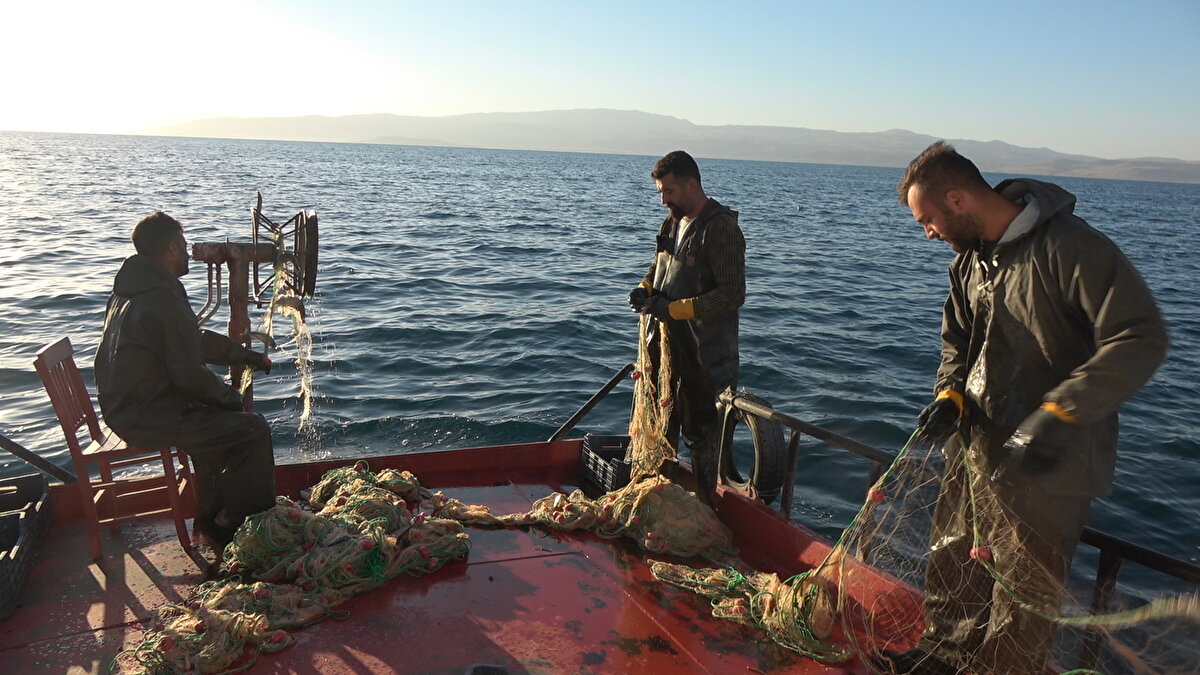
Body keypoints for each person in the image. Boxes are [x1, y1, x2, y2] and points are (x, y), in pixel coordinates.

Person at [891, 142, 1168, 674]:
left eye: (927, 220)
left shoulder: (1075, 248)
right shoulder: (968, 263)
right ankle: (943, 656)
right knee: (954, 556)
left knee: (1022, 594)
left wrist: (1060, 413)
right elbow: (957, 342)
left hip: (1052, 461)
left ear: (958, 199)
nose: (926, 232)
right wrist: (949, 394)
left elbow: (1141, 337)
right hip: (976, 448)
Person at [95, 211, 277, 559]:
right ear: (172, 246)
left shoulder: (133, 286)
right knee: (251, 429)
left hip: (126, 406)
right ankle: (253, 530)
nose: (187, 253)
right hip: (146, 415)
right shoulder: (162, 297)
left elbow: (189, 341)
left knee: (217, 422)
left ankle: (214, 521)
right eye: (183, 245)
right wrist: (231, 399)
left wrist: (243, 356)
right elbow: (188, 374)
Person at [628, 151, 745, 503]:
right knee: (662, 428)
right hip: (663, 353)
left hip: (705, 358)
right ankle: (659, 499)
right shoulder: (671, 222)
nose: (664, 199)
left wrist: (676, 309)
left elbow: (732, 293)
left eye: (670, 191)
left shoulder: (721, 228)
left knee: (701, 435)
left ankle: (706, 507)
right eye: (661, 192)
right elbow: (658, 268)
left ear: (692, 185)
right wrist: (644, 289)